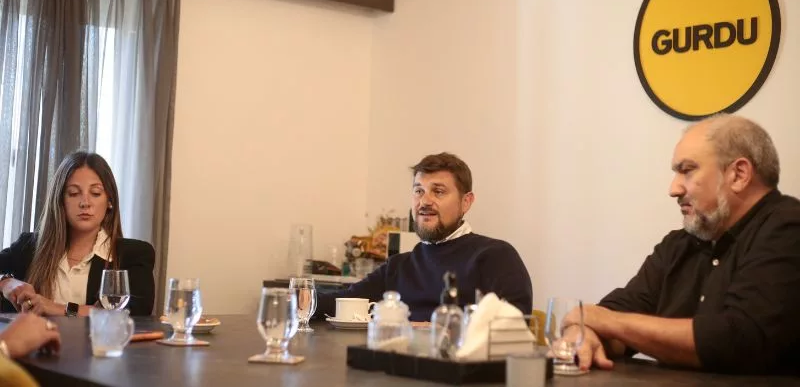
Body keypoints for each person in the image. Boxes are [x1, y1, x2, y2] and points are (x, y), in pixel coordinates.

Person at [567, 114, 800, 374]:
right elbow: (621, 310)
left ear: (738, 174)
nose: (674, 189)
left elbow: (739, 341)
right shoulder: (678, 244)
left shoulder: (789, 228)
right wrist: (584, 333)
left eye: (687, 171)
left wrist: (605, 321)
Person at [316, 152, 532, 322]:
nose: (425, 201)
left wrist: (426, 329)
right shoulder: (399, 266)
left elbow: (513, 326)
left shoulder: (495, 256)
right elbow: (342, 301)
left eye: (438, 191)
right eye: (419, 191)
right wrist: (300, 298)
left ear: (466, 202)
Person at [0, 152, 155, 316]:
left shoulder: (134, 254)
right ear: (60, 200)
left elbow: (135, 312)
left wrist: (58, 308)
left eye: (95, 193)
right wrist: (6, 283)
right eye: (74, 193)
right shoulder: (29, 247)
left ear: (109, 201)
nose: (85, 203)